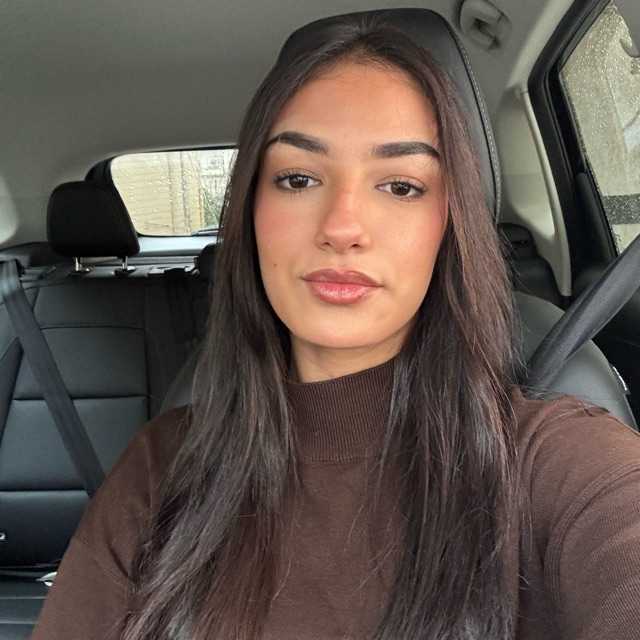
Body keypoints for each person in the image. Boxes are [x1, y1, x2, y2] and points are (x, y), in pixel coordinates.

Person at [31, 13, 640, 640]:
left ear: (449, 224)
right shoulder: (161, 471)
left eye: (401, 186)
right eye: (297, 179)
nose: (342, 226)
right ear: (251, 211)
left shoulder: (559, 462)